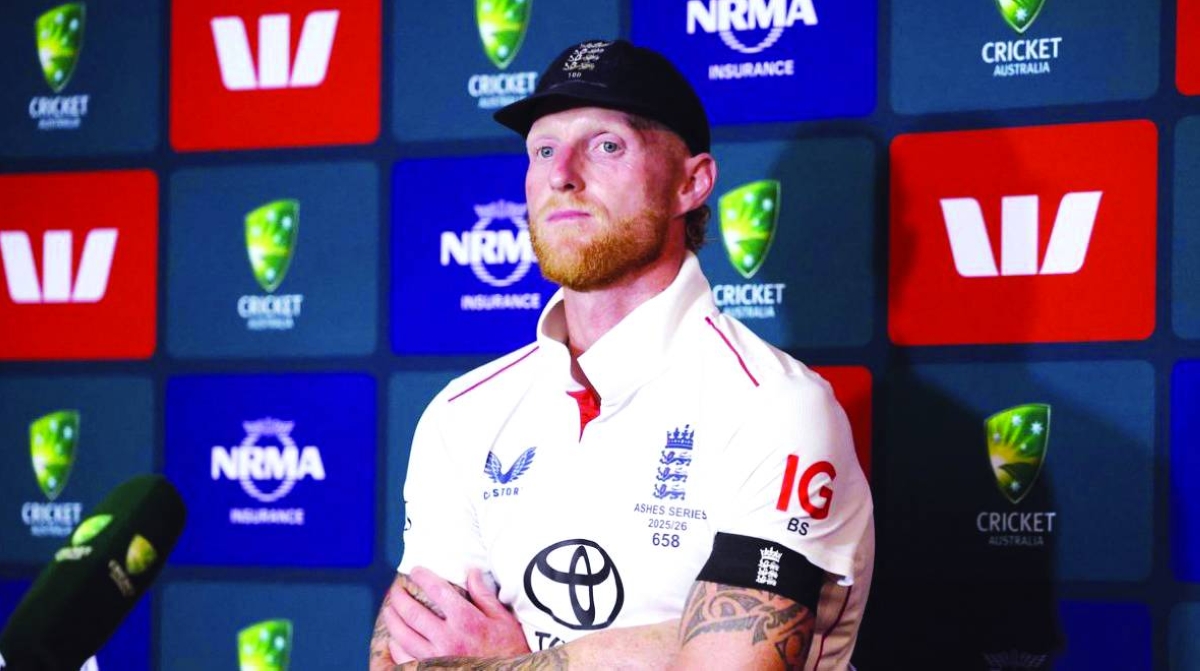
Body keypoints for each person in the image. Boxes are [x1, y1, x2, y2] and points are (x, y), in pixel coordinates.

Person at [369, 39, 874, 670]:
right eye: (543, 150)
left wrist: (501, 660)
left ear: (692, 183)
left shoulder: (777, 407)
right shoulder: (462, 412)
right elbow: (401, 662)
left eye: (607, 145)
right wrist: (667, 642)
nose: (562, 174)